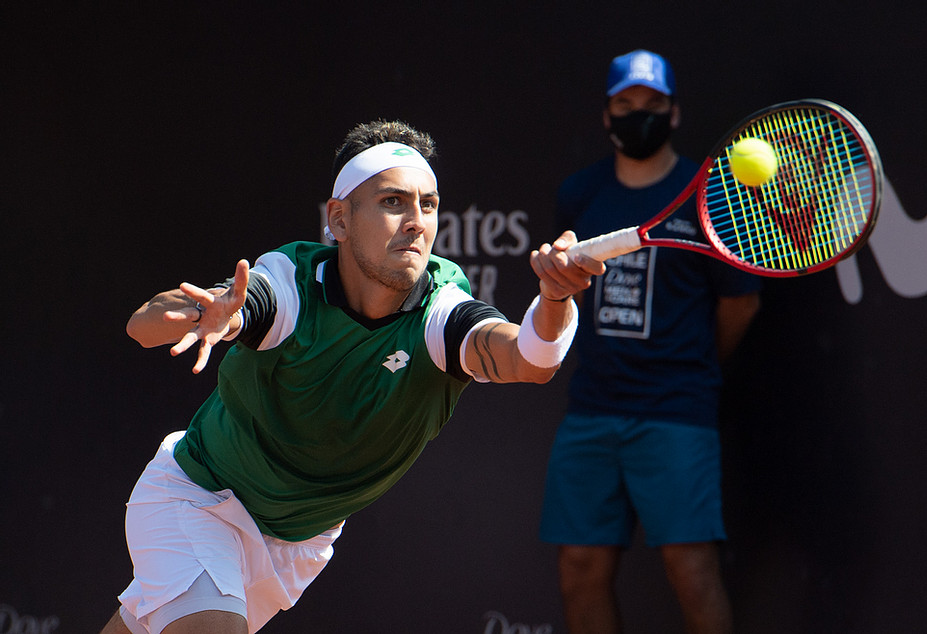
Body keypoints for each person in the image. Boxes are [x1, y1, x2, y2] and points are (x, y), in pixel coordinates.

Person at [100, 120, 603, 634]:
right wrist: (202, 313)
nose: (415, 222)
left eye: (427, 205)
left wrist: (556, 299)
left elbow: (531, 360)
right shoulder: (291, 284)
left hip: (298, 544)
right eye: (393, 202)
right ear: (339, 220)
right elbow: (145, 327)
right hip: (198, 499)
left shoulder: (441, 313)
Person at [538, 50, 761, 634]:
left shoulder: (713, 193)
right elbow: (568, 297)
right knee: (579, 568)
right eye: (626, 104)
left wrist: (694, 366)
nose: (640, 114)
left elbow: (740, 301)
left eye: (653, 104)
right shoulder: (579, 195)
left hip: (677, 411)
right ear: (608, 115)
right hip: (592, 409)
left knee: (691, 569)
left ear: (675, 112)